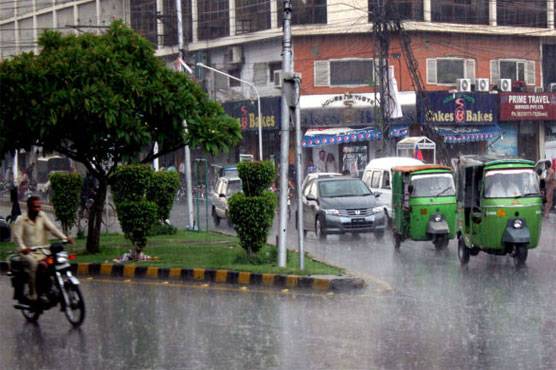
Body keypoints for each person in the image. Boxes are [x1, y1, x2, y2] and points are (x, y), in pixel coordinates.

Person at [12, 196, 74, 303]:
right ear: (29, 207)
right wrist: (23, 248)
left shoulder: (42, 216)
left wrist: (65, 238)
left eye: (39, 206)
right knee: (33, 264)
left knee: (55, 262)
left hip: (44, 251)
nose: (38, 209)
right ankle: (33, 294)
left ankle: (50, 288)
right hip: (28, 253)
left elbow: (53, 229)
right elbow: (17, 237)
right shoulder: (21, 219)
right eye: (35, 207)